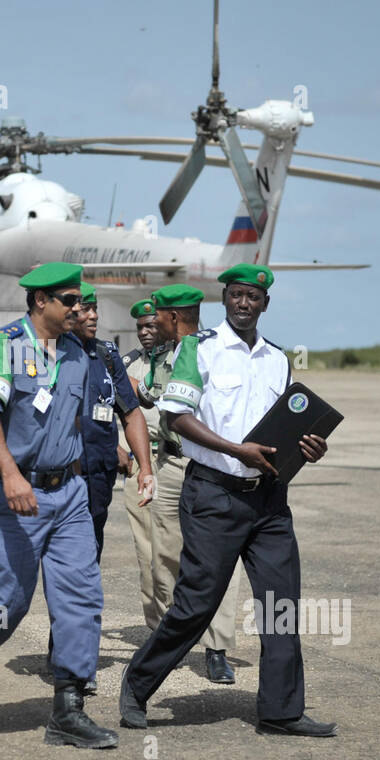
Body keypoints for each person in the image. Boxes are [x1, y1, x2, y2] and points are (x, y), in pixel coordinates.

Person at [0, 262, 153, 750]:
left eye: (81, 300)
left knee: (81, 597)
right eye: (70, 300)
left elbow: (103, 414)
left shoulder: (79, 353)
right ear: (40, 301)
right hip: (14, 492)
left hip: (69, 493)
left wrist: (125, 458)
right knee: (6, 600)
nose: (79, 308)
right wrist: (9, 473)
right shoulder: (1, 345)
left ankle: (68, 709)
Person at [119, 264, 336, 738]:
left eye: (253, 297)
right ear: (225, 299)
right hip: (214, 494)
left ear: (265, 304)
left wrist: (308, 446)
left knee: (280, 605)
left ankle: (281, 711)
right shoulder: (200, 349)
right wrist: (237, 451)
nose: (244, 303)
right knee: (196, 604)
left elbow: (285, 425)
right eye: (236, 294)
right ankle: (137, 685)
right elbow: (176, 418)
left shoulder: (277, 359)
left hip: (269, 501)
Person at [51, 282, 153, 693]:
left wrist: (145, 465)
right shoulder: (48, 353)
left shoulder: (107, 355)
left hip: (97, 479)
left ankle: (73, 655)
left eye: (95, 309)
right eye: (84, 309)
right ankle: (72, 657)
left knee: (87, 564)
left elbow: (131, 412)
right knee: (68, 569)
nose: (92, 315)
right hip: (59, 477)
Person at [141, 283, 243, 685]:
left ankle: (217, 649)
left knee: (219, 558)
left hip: (211, 466)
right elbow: (150, 398)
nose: (152, 323)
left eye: (158, 316)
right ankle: (174, 638)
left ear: (173, 316)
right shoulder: (162, 356)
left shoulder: (215, 352)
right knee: (164, 555)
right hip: (170, 464)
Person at [120, 299, 161, 628]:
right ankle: (157, 627)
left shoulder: (186, 359)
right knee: (146, 551)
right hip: (138, 464)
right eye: (140, 328)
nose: (145, 332)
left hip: (178, 458)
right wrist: (116, 448)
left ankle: (195, 630)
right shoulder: (127, 363)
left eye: (151, 326)